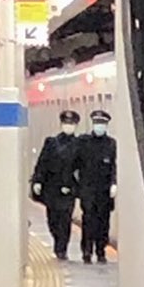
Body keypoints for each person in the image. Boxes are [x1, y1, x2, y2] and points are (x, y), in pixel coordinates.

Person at [30, 110, 81, 258]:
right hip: (51, 188)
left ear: (75, 126)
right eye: (66, 123)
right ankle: (57, 240)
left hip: (68, 188)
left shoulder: (79, 145)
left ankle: (61, 248)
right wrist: (37, 180)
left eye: (71, 124)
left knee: (65, 219)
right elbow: (42, 163)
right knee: (52, 219)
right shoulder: (51, 142)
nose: (68, 126)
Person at [74, 108, 117, 263]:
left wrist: (114, 184)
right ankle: (87, 251)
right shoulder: (83, 143)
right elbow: (75, 165)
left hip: (104, 191)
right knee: (88, 221)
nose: (100, 126)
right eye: (97, 123)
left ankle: (101, 251)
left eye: (102, 124)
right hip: (88, 190)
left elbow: (114, 167)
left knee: (103, 222)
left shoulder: (111, 144)